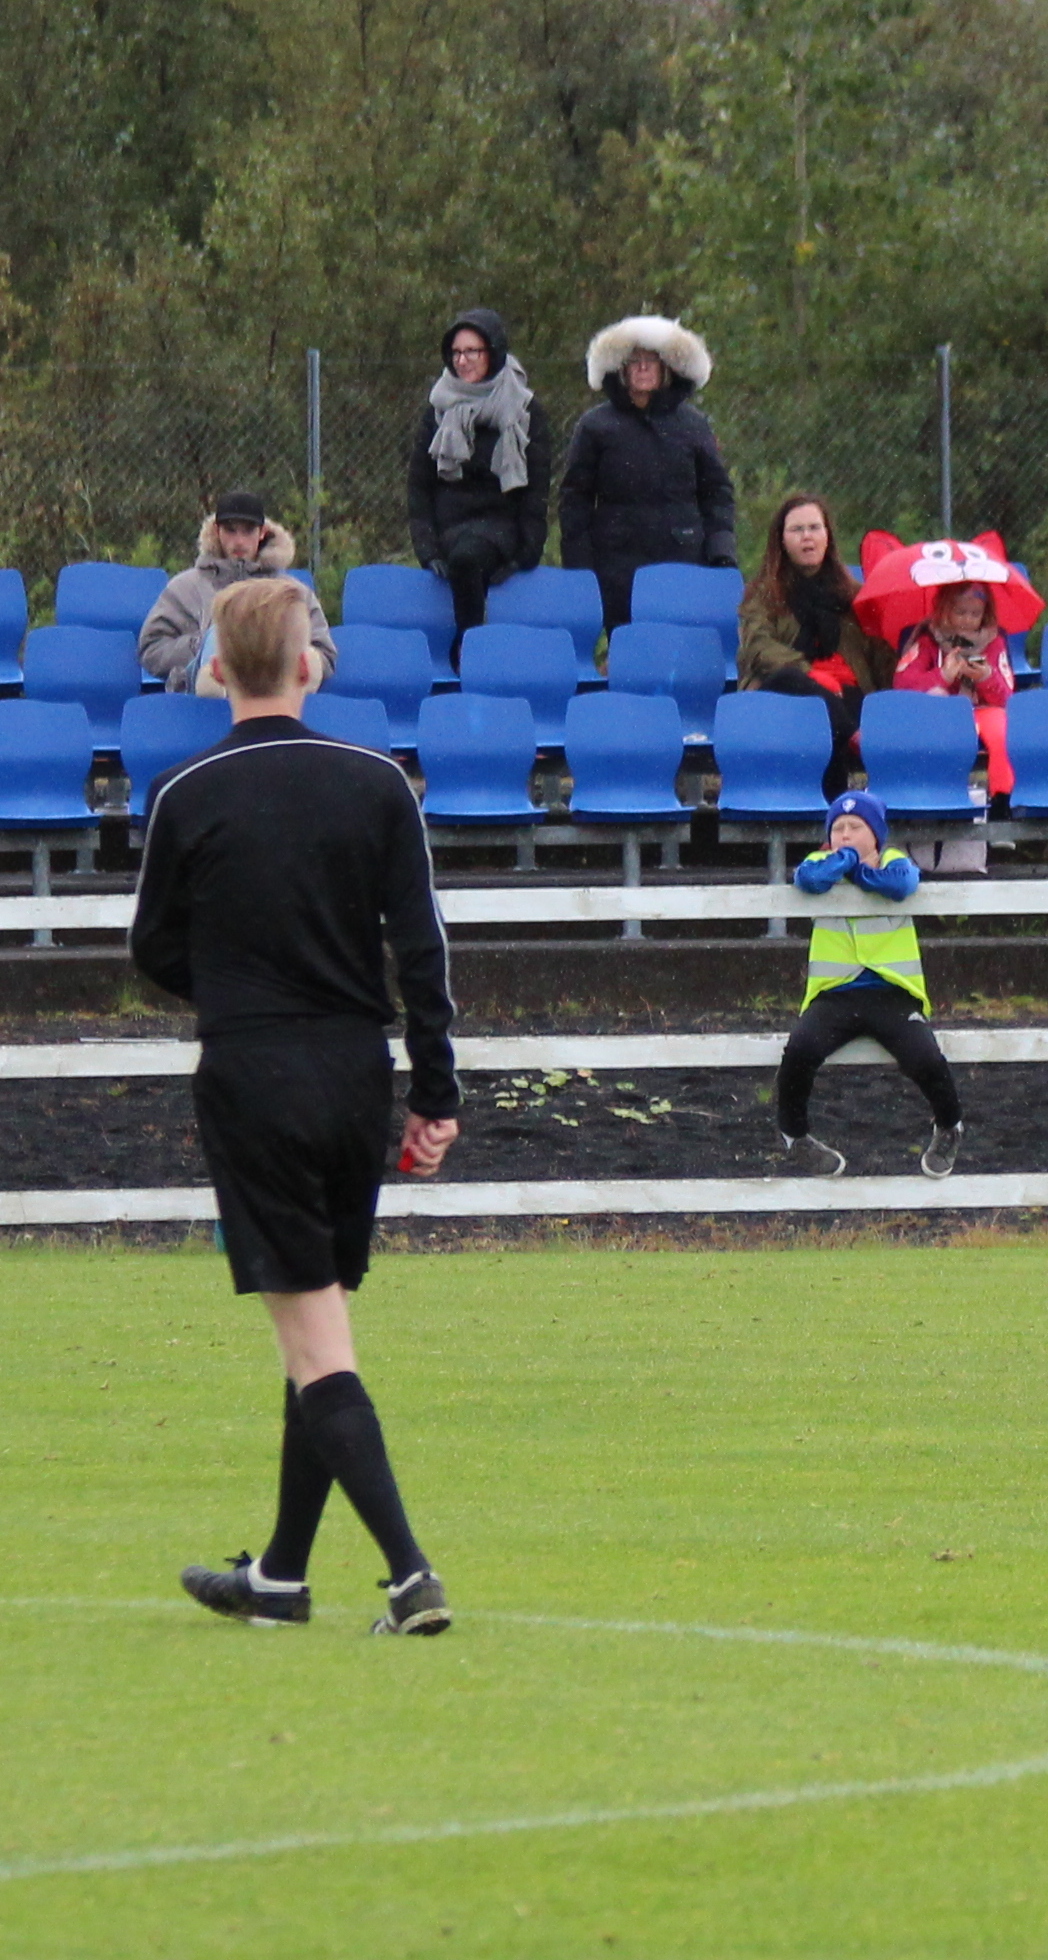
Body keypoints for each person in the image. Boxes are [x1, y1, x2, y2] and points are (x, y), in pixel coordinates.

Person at [129, 578, 460, 1639]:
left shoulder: (185, 792)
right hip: (356, 1073)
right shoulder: (377, 781)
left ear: (215, 668)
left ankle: (409, 1576)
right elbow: (422, 951)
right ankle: (280, 1576)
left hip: (254, 1075)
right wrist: (436, 1091)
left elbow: (151, 947)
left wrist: (237, 988)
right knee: (314, 1314)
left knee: (318, 1345)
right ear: (310, 664)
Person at [774, 789, 962, 1179]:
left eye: (855, 827)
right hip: (835, 994)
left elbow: (902, 885)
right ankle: (795, 1136)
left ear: (876, 834)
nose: (845, 834)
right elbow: (809, 880)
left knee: (925, 1058)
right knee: (799, 1051)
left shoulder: (894, 861)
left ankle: (949, 1126)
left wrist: (859, 872)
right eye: (838, 828)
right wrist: (844, 860)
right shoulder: (821, 862)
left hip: (892, 992)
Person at [557, 315, 737, 634]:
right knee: (627, 645)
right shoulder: (595, 426)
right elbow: (575, 498)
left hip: (682, 559)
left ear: (667, 368)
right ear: (620, 368)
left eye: (651, 360)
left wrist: (720, 548)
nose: (642, 367)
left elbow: (716, 493)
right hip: (616, 566)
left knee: (680, 644)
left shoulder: (693, 425)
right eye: (634, 360)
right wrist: (579, 563)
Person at [407, 307, 552, 646]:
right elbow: (419, 486)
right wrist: (427, 550)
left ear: (493, 352)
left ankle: (468, 648)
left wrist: (526, 554)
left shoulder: (524, 410)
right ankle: (469, 648)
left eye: (472, 351)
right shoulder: (438, 409)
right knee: (463, 557)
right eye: (456, 352)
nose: (462, 361)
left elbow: (536, 489)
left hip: (501, 527)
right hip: (450, 527)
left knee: (468, 558)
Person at [739, 495, 895, 797]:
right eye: (797, 530)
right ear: (781, 540)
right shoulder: (762, 595)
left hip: (847, 694)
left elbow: (880, 658)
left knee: (832, 712)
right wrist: (812, 675)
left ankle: (832, 814)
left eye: (814, 528)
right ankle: (852, 737)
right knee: (794, 683)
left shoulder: (855, 596)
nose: (807, 537)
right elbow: (758, 648)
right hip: (787, 694)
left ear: (827, 536)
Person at [137, 491, 337, 694]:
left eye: (248, 531)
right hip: (201, 695)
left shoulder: (292, 591)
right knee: (219, 635)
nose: (239, 541)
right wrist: (201, 645)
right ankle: (213, 680)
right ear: (217, 532)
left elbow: (324, 652)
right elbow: (152, 649)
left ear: (262, 533)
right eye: (230, 531)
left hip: (274, 686)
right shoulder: (185, 588)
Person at [890, 579, 1017, 799]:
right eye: (960, 612)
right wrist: (943, 676)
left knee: (1001, 732)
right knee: (937, 733)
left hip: (982, 709)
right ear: (945, 610)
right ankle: (940, 794)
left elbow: (1007, 697)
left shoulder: (994, 643)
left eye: (975, 614)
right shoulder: (928, 641)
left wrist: (985, 677)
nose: (967, 620)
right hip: (941, 711)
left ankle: (1002, 797)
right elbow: (903, 685)